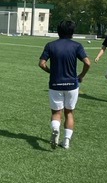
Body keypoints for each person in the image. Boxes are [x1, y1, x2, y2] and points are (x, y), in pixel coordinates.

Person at [38, 20, 91, 150]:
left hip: (55, 83)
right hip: (72, 84)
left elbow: (41, 64)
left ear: (58, 31)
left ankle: (55, 129)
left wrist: (51, 72)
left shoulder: (50, 45)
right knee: (69, 112)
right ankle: (66, 141)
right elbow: (87, 63)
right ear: (72, 32)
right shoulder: (77, 46)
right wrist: (81, 75)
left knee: (56, 113)